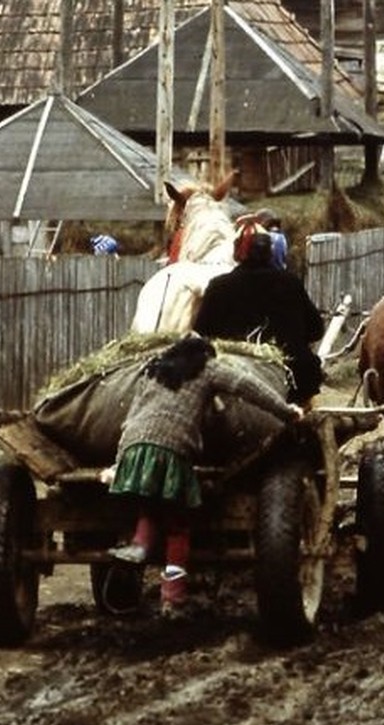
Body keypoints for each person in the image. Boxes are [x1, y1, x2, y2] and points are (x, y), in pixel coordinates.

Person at [107, 333, 302, 613]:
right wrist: (286, 412)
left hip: (133, 451)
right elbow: (248, 386)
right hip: (171, 451)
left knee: (150, 504)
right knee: (177, 526)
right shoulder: (207, 368)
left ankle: (140, 544)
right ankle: (172, 597)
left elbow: (129, 419)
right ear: (205, 355)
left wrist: (117, 464)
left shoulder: (153, 371)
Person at [193, 231, 326, 409]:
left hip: (231, 377)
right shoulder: (290, 283)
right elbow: (316, 329)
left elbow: (202, 332)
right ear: (271, 254)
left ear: (237, 254)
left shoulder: (219, 286)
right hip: (292, 380)